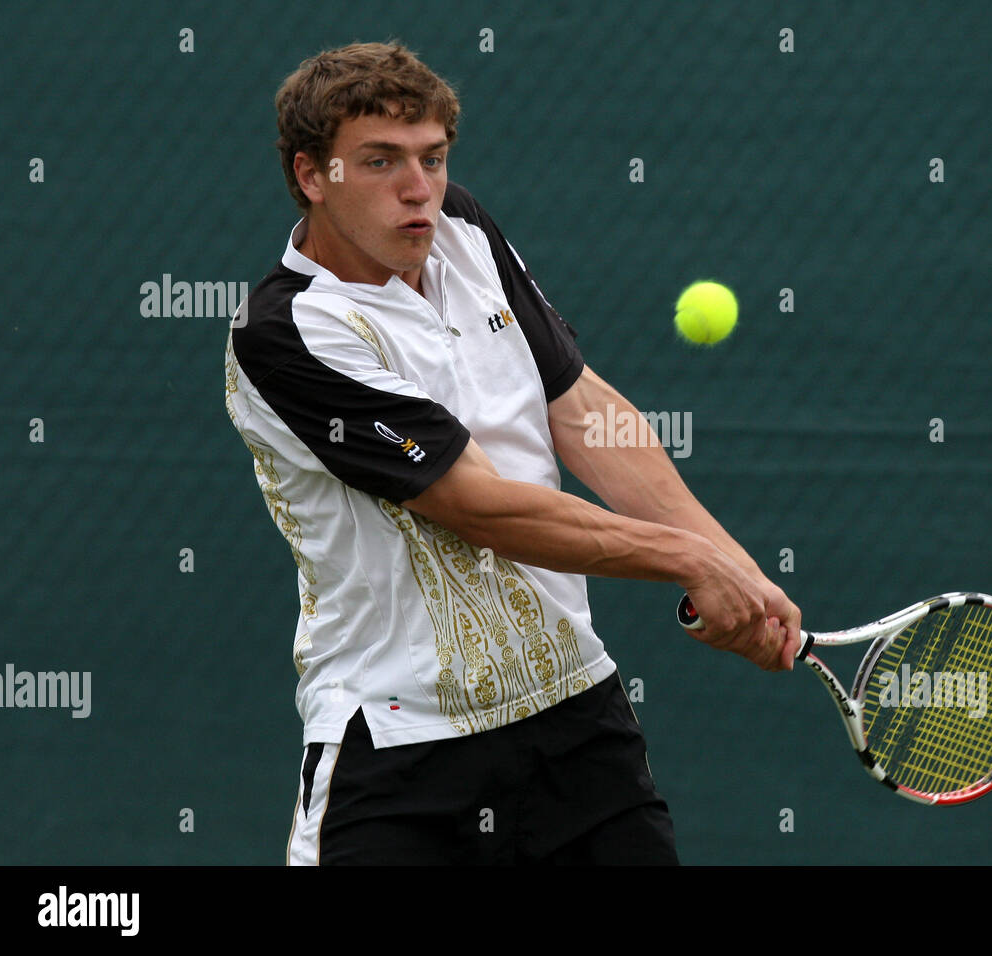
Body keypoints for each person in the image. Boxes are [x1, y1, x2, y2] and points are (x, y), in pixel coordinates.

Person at [224, 41, 802, 865]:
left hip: (573, 721)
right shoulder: (286, 334)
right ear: (313, 175)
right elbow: (477, 507)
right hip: (398, 746)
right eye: (380, 162)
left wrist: (732, 565)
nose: (417, 188)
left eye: (432, 157)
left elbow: (582, 409)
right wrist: (687, 561)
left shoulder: (459, 227)